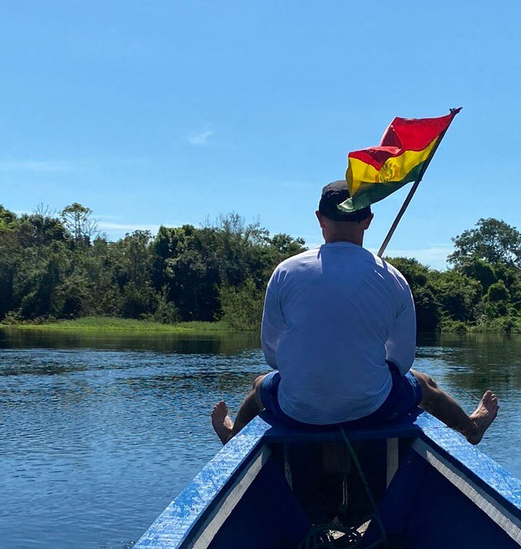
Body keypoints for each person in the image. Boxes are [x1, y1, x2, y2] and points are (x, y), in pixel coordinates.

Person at [211, 180, 498, 445]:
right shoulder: (393, 277)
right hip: (372, 409)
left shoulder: (285, 271)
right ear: (368, 221)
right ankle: (470, 429)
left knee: (259, 386)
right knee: (423, 383)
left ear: (319, 219)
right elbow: (401, 361)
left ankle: (233, 434)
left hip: (296, 410)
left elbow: (272, 356)